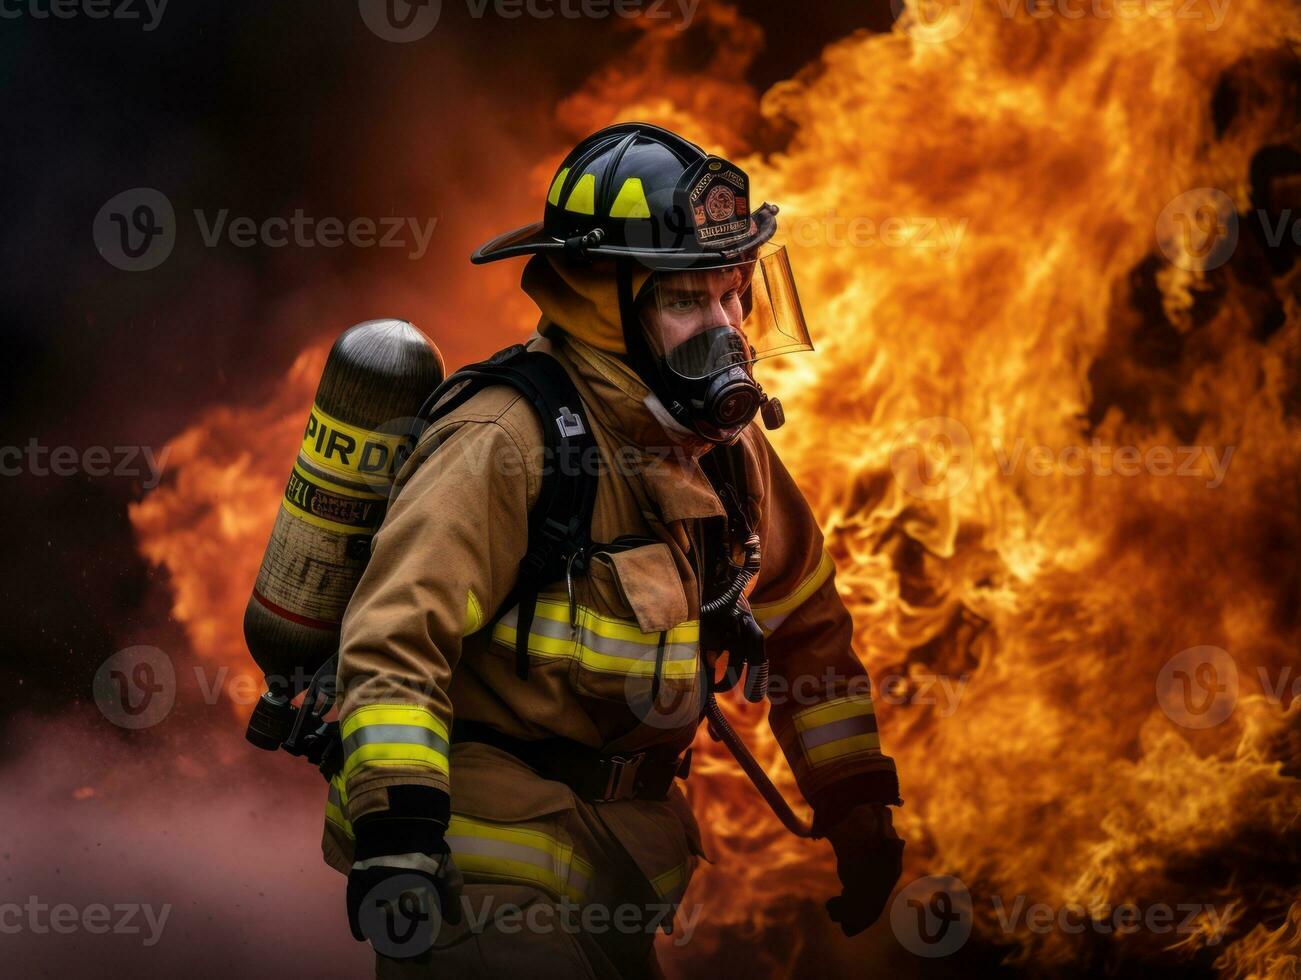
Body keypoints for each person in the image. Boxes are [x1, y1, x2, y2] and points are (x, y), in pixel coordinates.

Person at [323, 122, 905, 978]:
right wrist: (398, 834)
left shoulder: (725, 452)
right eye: (685, 301)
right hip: (482, 865)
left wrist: (851, 797)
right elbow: (394, 639)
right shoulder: (507, 440)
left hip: (621, 867)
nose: (726, 328)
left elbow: (804, 624)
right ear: (605, 303)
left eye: (734, 292)